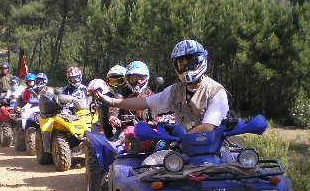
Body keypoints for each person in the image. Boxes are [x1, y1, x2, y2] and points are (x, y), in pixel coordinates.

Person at [95, 40, 229, 133]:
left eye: (189, 62)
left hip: (211, 148)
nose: (185, 67)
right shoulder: (176, 90)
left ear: (200, 60)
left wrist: (181, 137)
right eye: (180, 64)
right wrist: (111, 101)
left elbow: (208, 127)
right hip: (182, 150)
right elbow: (144, 102)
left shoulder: (215, 91)